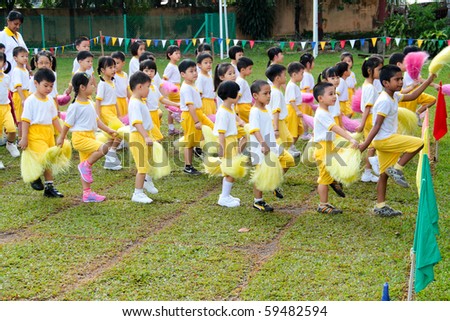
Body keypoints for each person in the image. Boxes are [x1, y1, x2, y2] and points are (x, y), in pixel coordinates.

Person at [359, 65, 436, 217]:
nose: (400, 82)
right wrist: (365, 145)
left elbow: (413, 96)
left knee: (383, 174)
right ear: (385, 83)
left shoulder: (393, 96)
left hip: (385, 140)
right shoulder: (384, 101)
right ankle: (398, 168)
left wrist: (428, 80)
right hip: (385, 140)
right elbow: (376, 125)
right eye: (397, 80)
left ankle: (380, 206)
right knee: (419, 143)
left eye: (401, 79)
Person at [57, 73, 116, 202]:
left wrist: (108, 130)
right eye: (91, 84)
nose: (94, 86)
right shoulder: (75, 106)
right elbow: (67, 124)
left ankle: (87, 193)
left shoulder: (90, 102)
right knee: (103, 149)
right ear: (82, 87)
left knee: (85, 169)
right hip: (80, 138)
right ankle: (86, 165)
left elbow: (97, 120)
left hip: (90, 136)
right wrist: (62, 137)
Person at [312, 82, 359, 214]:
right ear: (320, 98)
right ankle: (322, 205)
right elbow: (334, 127)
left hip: (328, 147)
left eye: (335, 93)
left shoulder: (325, 112)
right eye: (331, 94)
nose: (334, 96)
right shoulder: (322, 113)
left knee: (331, 172)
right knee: (324, 178)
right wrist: (350, 138)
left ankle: (332, 186)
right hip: (323, 149)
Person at [249, 80, 295, 212]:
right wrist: (263, 144)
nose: (269, 96)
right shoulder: (255, 111)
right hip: (261, 148)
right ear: (256, 96)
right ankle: (258, 201)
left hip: (273, 145)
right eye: (265, 93)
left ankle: (273, 181)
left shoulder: (266, 108)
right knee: (260, 174)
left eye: (269, 93)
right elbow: (255, 129)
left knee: (288, 160)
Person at [19, 68, 63, 197]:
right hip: (35, 134)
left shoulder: (50, 100)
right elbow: (25, 120)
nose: (49, 89)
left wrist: (62, 133)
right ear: (36, 83)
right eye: (46, 85)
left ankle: (49, 187)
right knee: (43, 158)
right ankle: (34, 175)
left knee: (48, 160)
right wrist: (24, 138)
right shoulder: (30, 101)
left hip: (48, 132)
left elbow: (54, 118)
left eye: (51, 86)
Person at [179, 59, 214, 175]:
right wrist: (196, 121)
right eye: (191, 71)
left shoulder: (192, 85)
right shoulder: (186, 88)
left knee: (212, 128)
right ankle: (188, 166)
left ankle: (201, 151)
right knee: (189, 141)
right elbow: (190, 106)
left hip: (198, 113)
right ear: (183, 74)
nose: (195, 73)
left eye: (195, 70)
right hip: (190, 116)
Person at [127, 71, 156, 204]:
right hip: (138, 137)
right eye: (148, 87)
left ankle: (147, 182)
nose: (149, 90)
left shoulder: (139, 101)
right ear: (139, 87)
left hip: (144, 135)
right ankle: (137, 193)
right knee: (142, 167)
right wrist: (145, 136)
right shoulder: (135, 103)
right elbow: (137, 122)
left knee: (149, 161)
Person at [356, 55, 384, 183]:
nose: (381, 72)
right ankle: (371, 168)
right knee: (372, 146)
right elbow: (367, 108)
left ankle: (367, 173)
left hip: (369, 119)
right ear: (369, 70)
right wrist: (362, 124)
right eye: (379, 69)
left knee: (372, 147)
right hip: (370, 120)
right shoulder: (370, 88)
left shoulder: (368, 85)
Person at [214, 80, 242, 208]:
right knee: (231, 171)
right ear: (230, 95)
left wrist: (241, 122)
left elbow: (235, 118)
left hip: (232, 141)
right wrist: (221, 149)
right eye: (236, 93)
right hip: (227, 143)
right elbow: (221, 133)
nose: (239, 95)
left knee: (232, 170)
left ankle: (226, 195)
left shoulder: (229, 108)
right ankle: (224, 197)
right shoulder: (223, 112)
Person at [140, 59, 180, 143]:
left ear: (155, 73)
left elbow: (162, 99)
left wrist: (176, 104)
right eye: (146, 71)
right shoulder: (141, 88)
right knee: (157, 137)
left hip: (155, 115)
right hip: (148, 115)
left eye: (152, 71)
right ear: (141, 72)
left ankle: (150, 152)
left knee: (153, 137)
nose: (149, 73)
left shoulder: (154, 87)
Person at [95, 56, 123, 170]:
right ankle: (111, 153)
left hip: (112, 110)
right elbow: (98, 101)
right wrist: (98, 117)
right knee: (119, 133)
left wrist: (119, 113)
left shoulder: (112, 82)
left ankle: (109, 159)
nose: (113, 69)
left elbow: (114, 99)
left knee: (112, 137)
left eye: (114, 67)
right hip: (106, 111)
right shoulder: (102, 84)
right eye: (110, 67)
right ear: (102, 70)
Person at [265, 64, 293, 164]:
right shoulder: (276, 93)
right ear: (277, 78)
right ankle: (277, 163)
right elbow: (275, 111)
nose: (286, 77)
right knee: (281, 143)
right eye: (284, 75)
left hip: (277, 122)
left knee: (287, 141)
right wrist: (276, 129)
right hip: (277, 122)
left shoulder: (272, 90)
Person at [0, 52, 19, 164]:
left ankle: (10, 144)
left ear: (4, 63)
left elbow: (13, 88)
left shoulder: (7, 77)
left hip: (5, 108)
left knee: (11, 129)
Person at [285, 61, 305, 157]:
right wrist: (297, 110)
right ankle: (288, 148)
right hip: (292, 111)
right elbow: (292, 100)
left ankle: (291, 146)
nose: (302, 76)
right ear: (294, 74)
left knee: (298, 130)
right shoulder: (291, 86)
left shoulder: (294, 85)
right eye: (301, 74)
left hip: (296, 110)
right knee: (293, 131)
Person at [163, 45, 183, 136]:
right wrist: (167, 91)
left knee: (171, 109)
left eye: (179, 53)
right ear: (170, 55)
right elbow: (164, 79)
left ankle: (171, 129)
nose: (178, 55)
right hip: (174, 89)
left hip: (176, 88)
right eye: (176, 53)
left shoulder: (174, 66)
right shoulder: (170, 66)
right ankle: (176, 116)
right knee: (179, 106)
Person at [10, 46, 29, 138]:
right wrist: (23, 99)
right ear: (15, 58)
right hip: (19, 95)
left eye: (26, 56)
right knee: (21, 118)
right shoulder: (17, 70)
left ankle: (26, 136)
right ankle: (20, 138)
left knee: (27, 117)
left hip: (26, 93)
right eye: (22, 56)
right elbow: (18, 86)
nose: (25, 58)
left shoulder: (25, 70)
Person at [299, 53, 315, 140]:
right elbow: (307, 89)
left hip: (307, 97)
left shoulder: (307, 74)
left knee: (308, 114)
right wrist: (310, 100)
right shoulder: (306, 75)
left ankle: (306, 132)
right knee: (305, 116)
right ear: (308, 64)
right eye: (313, 62)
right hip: (306, 98)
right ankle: (304, 133)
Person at [195, 53, 216, 117]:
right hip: (205, 102)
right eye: (206, 63)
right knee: (208, 120)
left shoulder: (209, 76)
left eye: (210, 62)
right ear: (199, 65)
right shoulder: (200, 77)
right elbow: (199, 93)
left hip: (212, 101)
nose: (209, 65)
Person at [111, 51, 130, 119]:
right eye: (113, 63)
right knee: (118, 117)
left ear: (123, 63)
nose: (115, 65)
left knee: (125, 117)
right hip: (116, 100)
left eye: (117, 63)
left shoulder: (125, 75)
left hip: (124, 100)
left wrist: (130, 99)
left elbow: (127, 88)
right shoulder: (112, 75)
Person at [235, 57, 253, 123]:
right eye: (250, 69)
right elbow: (238, 96)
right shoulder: (241, 81)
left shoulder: (242, 80)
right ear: (242, 70)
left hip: (245, 106)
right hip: (244, 107)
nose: (251, 71)